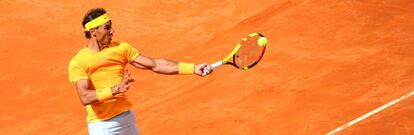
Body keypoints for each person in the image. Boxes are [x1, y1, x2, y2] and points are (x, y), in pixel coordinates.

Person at [68, 8, 211, 135]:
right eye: (107, 28)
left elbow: (155, 64)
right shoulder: (79, 62)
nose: (112, 31)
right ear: (93, 32)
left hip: (126, 118)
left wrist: (192, 68)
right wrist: (115, 89)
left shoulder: (121, 48)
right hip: (102, 126)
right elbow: (85, 97)